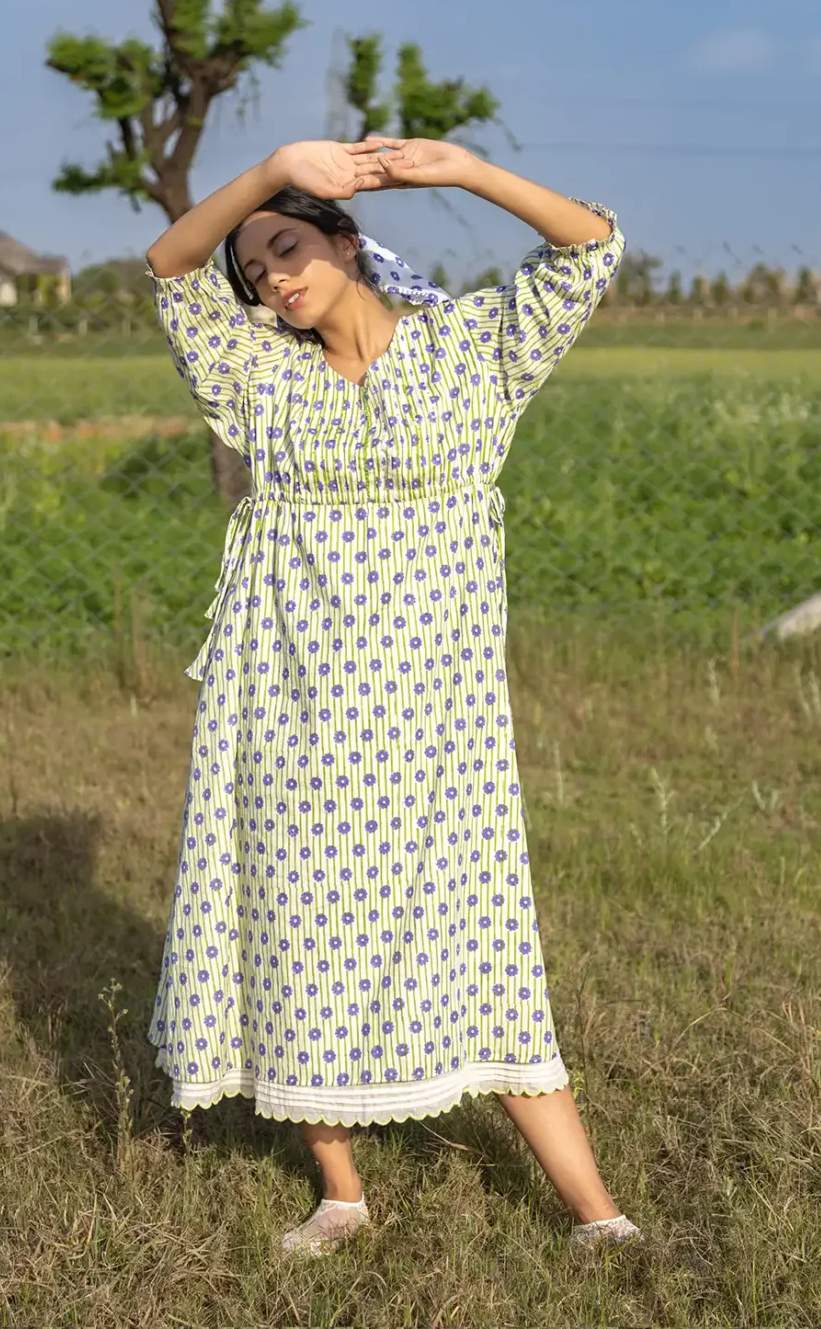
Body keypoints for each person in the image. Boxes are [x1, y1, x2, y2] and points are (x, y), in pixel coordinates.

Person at [144, 136, 644, 1257]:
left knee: (480, 941)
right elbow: (170, 265)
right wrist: (274, 162)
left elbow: (587, 247)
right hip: (283, 704)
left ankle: (596, 1214)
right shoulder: (259, 376)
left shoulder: (469, 349)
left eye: (285, 244)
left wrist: (462, 171)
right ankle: (340, 1192)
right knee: (293, 929)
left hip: (436, 719)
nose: (272, 275)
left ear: (341, 240)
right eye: (257, 270)